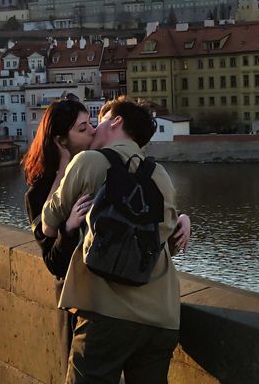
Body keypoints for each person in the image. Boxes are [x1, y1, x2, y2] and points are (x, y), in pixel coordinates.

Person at [42, 96, 187, 384]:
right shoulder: (161, 176)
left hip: (106, 314)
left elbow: (48, 222)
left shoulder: (90, 162)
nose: (94, 129)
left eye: (101, 120)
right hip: (162, 318)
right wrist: (185, 218)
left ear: (116, 121)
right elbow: (166, 240)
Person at [22, 98, 96, 378]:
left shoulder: (99, 169)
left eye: (90, 123)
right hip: (74, 298)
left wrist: (180, 219)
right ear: (61, 141)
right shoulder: (37, 195)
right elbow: (53, 262)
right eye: (82, 127)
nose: (92, 131)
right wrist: (67, 229)